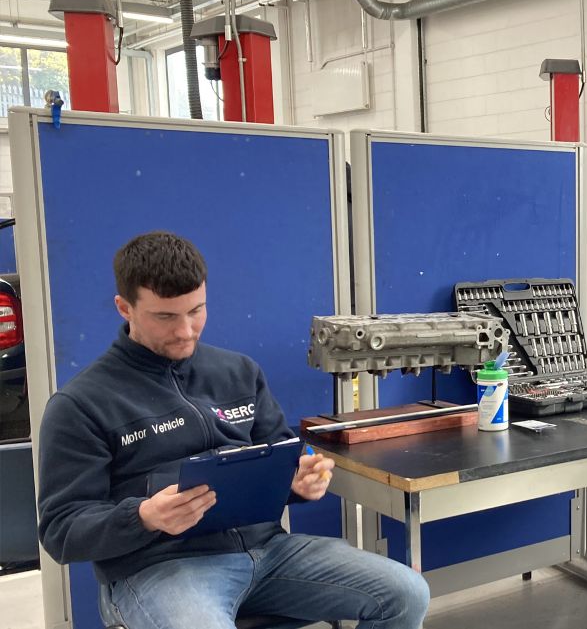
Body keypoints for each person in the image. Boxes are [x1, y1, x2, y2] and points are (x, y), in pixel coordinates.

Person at [37, 231, 430, 629]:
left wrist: (301, 480)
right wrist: (143, 517)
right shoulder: (82, 404)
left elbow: (283, 456)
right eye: (166, 317)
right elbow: (61, 529)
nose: (187, 331)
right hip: (158, 568)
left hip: (269, 551)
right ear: (125, 308)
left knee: (406, 593)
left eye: (197, 311)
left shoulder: (238, 372)